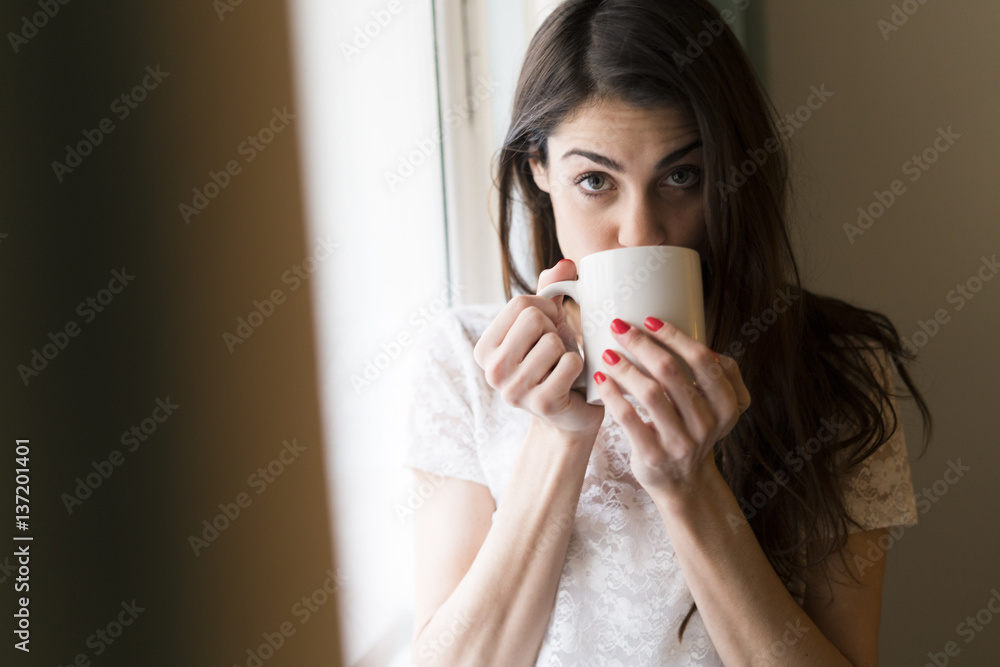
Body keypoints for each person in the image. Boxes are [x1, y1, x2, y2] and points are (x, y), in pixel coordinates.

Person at [402, 0, 933, 664]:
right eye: (595, 180)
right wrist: (559, 436)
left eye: (681, 177)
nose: (641, 232)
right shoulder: (466, 363)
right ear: (538, 168)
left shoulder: (836, 371)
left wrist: (691, 487)